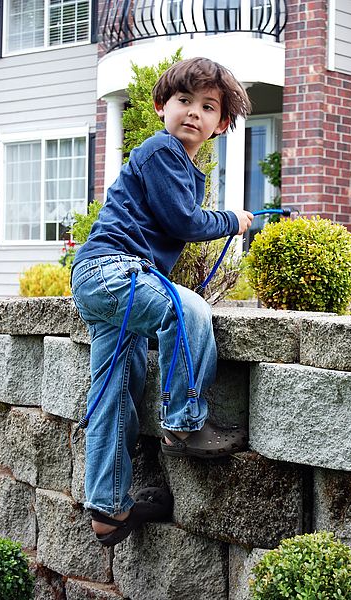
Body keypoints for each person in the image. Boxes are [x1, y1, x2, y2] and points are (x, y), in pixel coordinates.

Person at [70, 57, 254, 547]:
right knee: (187, 309)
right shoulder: (161, 151)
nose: (194, 112)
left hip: (105, 283)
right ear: (160, 108)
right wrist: (232, 220)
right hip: (113, 271)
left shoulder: (178, 164)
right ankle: (185, 422)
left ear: (222, 125)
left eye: (208, 106)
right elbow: (185, 223)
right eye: (184, 101)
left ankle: (107, 509)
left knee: (114, 388)